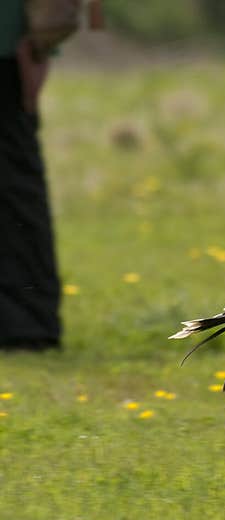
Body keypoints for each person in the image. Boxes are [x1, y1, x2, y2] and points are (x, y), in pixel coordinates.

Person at [0, 1, 61, 351]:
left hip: (11, 46)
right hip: (14, 43)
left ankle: (28, 326)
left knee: (15, 183)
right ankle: (29, 323)